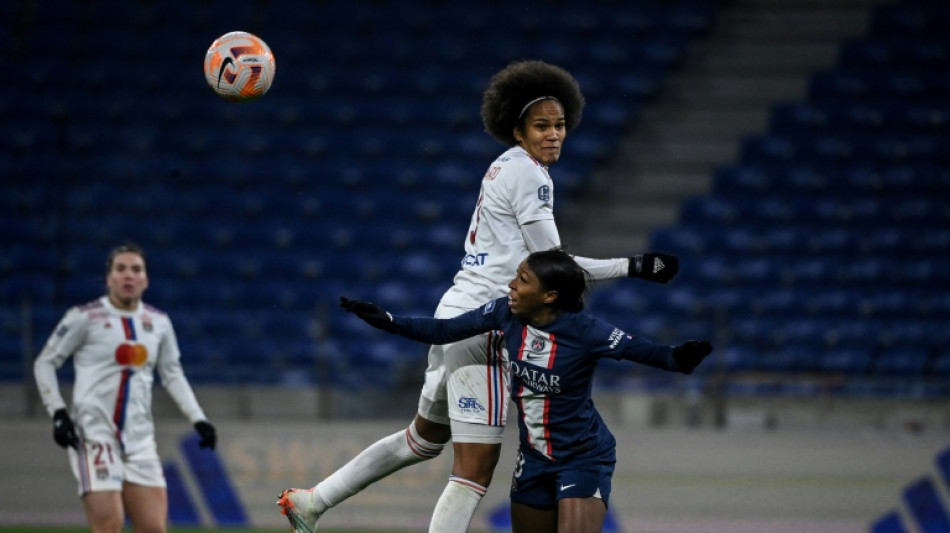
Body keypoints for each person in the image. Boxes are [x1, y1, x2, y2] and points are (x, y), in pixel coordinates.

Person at [277, 60, 679, 533]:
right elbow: (557, 265)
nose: (554, 135)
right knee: (473, 470)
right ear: (518, 130)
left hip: (458, 307)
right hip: (486, 321)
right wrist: (634, 266)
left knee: (421, 440)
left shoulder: (504, 166)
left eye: (560, 125)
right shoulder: (529, 175)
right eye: (542, 126)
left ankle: (313, 501)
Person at [340, 248, 712, 533]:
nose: (511, 286)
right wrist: (388, 321)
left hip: (581, 456)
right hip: (533, 458)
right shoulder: (505, 313)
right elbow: (443, 331)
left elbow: (643, 350)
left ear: (548, 296)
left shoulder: (587, 331)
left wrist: (680, 358)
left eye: (522, 280)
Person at [33, 243, 217, 533]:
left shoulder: (158, 323)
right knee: (109, 525)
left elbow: (172, 373)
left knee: (154, 529)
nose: (128, 276)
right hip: (95, 436)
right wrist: (58, 412)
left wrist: (199, 419)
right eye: (121, 269)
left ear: (146, 279)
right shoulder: (84, 317)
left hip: (140, 440)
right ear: (109, 279)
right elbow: (44, 363)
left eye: (136, 269)